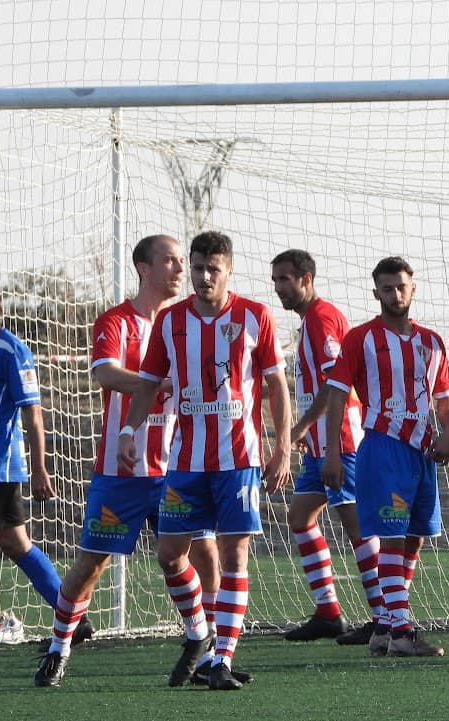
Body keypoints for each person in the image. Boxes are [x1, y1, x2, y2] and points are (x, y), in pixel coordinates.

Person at [33, 235, 248, 688]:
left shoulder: (192, 321)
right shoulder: (118, 321)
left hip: (181, 465)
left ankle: (206, 647)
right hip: (123, 471)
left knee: (199, 557)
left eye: (180, 262)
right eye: (169, 261)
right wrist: (157, 385)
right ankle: (58, 649)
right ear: (142, 268)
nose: (179, 270)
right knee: (90, 564)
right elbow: (104, 372)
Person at [116, 230, 292, 690]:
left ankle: (222, 661)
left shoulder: (255, 316)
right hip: (186, 462)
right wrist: (129, 431)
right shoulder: (172, 321)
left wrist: (283, 446)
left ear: (228, 271)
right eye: (197, 267)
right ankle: (200, 632)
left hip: (239, 459)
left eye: (212, 268)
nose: (203, 276)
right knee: (170, 556)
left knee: (235, 557)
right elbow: (149, 384)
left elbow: (275, 386)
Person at [322, 256, 449, 657]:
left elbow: (446, 401)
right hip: (382, 448)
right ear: (376, 292)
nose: (395, 294)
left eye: (401, 286)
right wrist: (332, 451)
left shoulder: (432, 341)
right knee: (393, 541)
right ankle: (402, 632)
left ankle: (384, 626)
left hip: (424, 453)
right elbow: (336, 396)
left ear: (413, 289)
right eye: (387, 288)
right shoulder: (359, 339)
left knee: (414, 541)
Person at [270, 249, 385, 644]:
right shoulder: (311, 322)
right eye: (275, 281)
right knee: (300, 518)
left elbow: (337, 383)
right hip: (320, 445)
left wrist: (301, 426)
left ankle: (384, 617)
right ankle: (328, 612)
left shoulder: (321, 320)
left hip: (341, 440)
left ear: (306, 278)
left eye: (284, 279)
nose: (278, 288)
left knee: (358, 527)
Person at [0, 276, 67, 644]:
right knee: (15, 543)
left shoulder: (11, 350)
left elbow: (33, 413)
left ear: (0, 305)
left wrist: (39, 468)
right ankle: (71, 615)